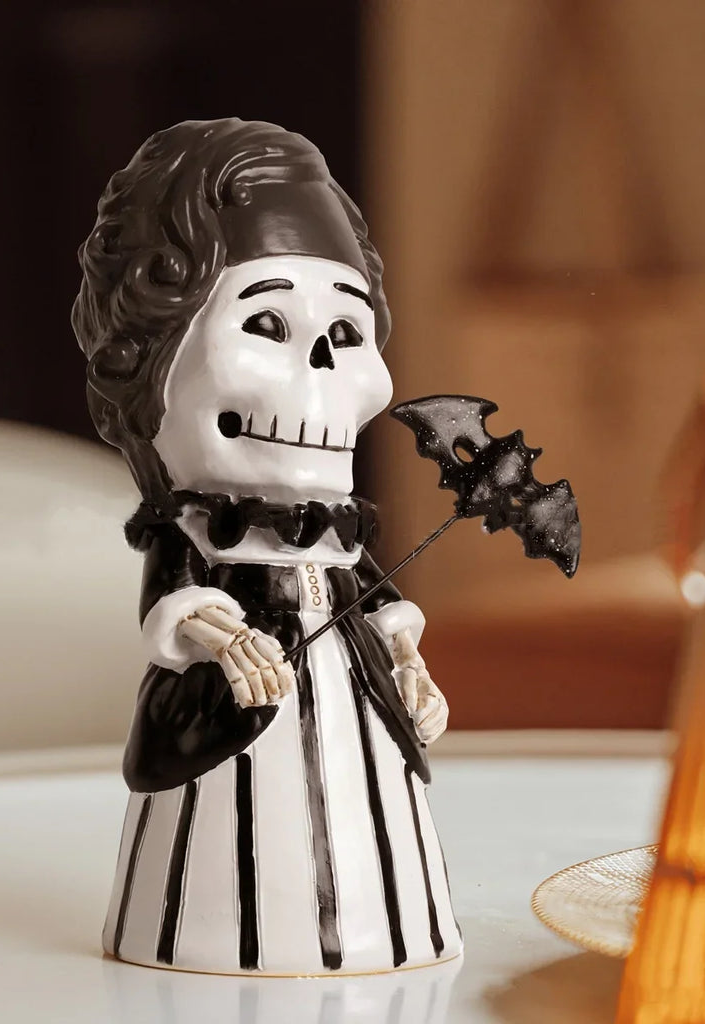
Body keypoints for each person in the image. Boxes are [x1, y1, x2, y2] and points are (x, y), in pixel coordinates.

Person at [72, 118, 460, 975]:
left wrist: (408, 662)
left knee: (375, 843)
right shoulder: (191, 531)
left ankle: (388, 923)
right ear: (149, 366)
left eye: (348, 336)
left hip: (361, 739)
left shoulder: (338, 532)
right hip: (221, 744)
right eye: (267, 325)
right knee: (212, 859)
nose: (326, 372)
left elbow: (376, 603)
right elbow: (173, 603)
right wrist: (224, 636)